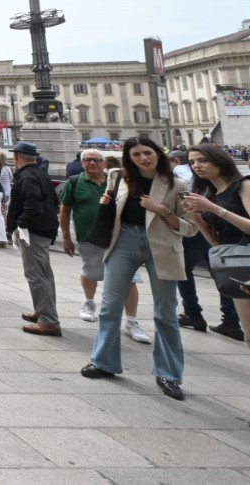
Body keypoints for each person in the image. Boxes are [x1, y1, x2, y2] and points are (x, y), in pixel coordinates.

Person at [80, 136, 196, 401]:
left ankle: (169, 373)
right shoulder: (119, 179)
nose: (143, 158)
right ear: (129, 159)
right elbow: (112, 209)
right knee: (109, 306)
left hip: (163, 244)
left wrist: (163, 211)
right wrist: (106, 206)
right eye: (136, 155)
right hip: (123, 242)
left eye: (148, 152)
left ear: (158, 154)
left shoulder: (177, 185)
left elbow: (191, 228)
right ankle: (103, 362)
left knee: (166, 312)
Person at [182, 144, 250, 432]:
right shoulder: (211, 195)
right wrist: (197, 217)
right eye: (193, 162)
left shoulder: (245, 186)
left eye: (203, 160)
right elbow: (219, 245)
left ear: (220, 161)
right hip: (237, 273)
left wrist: (215, 209)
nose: (197, 166)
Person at [59, 149, 151, 343]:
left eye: (96, 160)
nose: (92, 163)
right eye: (88, 160)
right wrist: (66, 237)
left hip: (120, 236)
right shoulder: (74, 182)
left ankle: (132, 321)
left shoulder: (119, 180)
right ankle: (89, 302)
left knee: (131, 279)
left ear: (104, 163)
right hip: (89, 236)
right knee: (91, 272)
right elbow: (65, 211)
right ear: (82, 163)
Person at [7, 141, 62, 336]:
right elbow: (55, 201)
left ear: (16, 157)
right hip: (45, 229)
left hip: (33, 232)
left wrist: (20, 224)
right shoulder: (40, 173)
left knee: (36, 274)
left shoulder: (27, 176)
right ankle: (43, 311)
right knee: (44, 273)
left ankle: (49, 320)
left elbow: (33, 206)